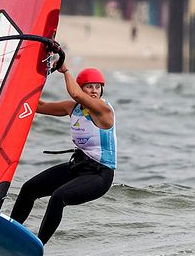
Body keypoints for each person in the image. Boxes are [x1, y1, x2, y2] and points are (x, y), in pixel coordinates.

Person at [10, 65, 116, 244]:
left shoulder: (103, 110)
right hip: (79, 167)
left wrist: (65, 71)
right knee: (29, 188)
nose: (94, 91)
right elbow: (39, 106)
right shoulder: (72, 108)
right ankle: (6, 233)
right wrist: (14, 90)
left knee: (59, 197)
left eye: (97, 87)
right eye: (89, 86)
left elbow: (75, 94)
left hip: (100, 174)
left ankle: (37, 246)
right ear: (82, 87)